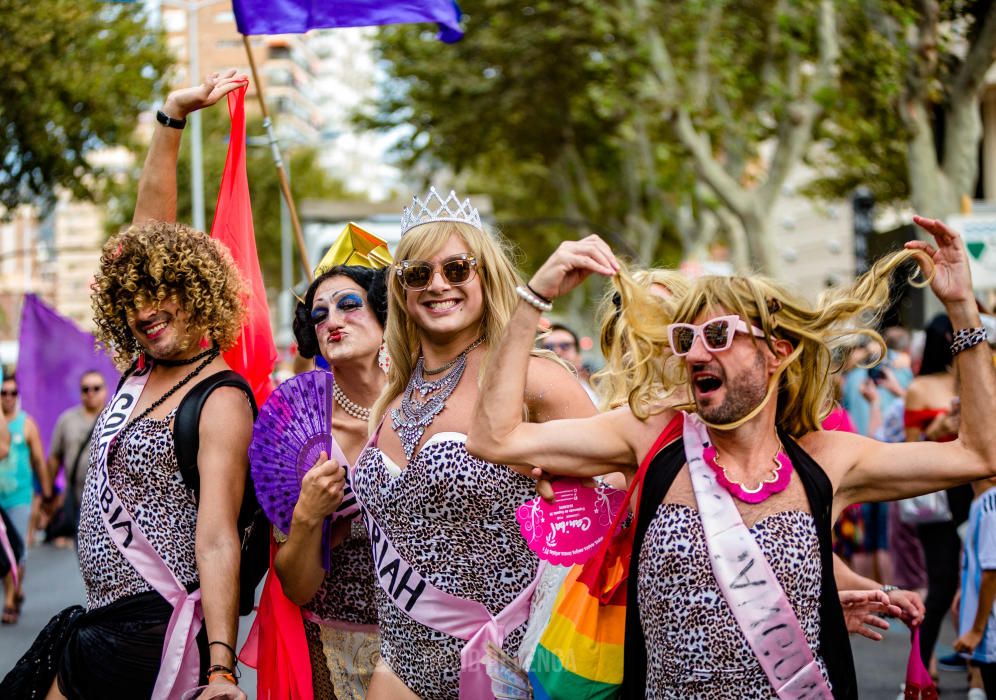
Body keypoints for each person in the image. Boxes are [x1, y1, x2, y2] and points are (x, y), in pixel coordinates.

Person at [467, 216, 996, 698]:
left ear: (778, 352)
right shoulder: (650, 439)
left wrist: (961, 309)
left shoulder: (829, 460)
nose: (696, 353)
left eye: (718, 335)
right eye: (686, 338)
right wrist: (532, 297)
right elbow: (496, 438)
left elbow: (979, 454)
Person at [1, 70, 253, 700]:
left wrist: (221, 667)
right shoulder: (140, 371)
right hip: (102, 618)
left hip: (155, 626)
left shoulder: (218, 396)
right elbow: (147, 237)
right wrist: (170, 117)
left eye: (162, 289)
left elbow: (218, 535)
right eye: (133, 296)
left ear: (196, 290)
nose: (146, 306)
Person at [349, 187, 596, 700]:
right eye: (418, 274)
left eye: (457, 269)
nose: (438, 285)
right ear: (401, 291)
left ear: (485, 275)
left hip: (508, 669)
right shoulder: (391, 397)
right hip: (399, 669)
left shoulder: (534, 379)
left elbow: (618, 502)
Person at [271, 261, 389, 699]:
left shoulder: (431, 404)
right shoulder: (298, 428)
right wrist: (308, 516)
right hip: (337, 649)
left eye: (349, 305)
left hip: (439, 638)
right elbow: (297, 587)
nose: (332, 320)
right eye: (319, 315)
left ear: (384, 313)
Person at [905, 313, 971, 675]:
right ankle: (919, 668)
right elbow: (909, 450)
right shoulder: (921, 387)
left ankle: (977, 665)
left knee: (979, 578)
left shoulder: (974, 378)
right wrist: (938, 429)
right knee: (943, 583)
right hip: (936, 494)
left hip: (975, 492)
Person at [0, 373, 49, 625]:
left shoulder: (25, 423)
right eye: (3, 393)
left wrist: (46, 491)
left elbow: (39, 460)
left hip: (20, 496)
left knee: (16, 549)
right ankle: (13, 591)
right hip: (0, 498)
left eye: (12, 393)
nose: (8, 398)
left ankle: (10, 598)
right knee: (2, 551)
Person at [46, 370, 108, 543]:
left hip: (108, 501)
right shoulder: (66, 420)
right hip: (76, 498)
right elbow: (54, 458)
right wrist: (49, 494)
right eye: (85, 389)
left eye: (96, 388)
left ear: (105, 390)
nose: (91, 393)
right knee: (84, 551)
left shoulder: (115, 418)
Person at [954, 476, 996, 697]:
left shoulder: (991, 505)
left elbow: (992, 573)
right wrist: (966, 591)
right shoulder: (981, 502)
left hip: (991, 634)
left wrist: (976, 630)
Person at [542, 323, 597, 402]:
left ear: (578, 355)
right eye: (549, 347)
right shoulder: (534, 393)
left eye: (565, 346)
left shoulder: (598, 388)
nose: (557, 351)